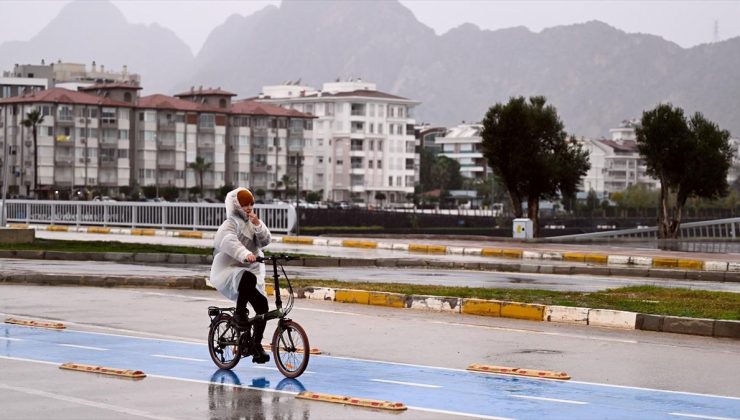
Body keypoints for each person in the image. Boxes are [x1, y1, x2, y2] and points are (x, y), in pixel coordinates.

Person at [210, 187, 272, 363]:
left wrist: (258, 225)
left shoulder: (252, 221)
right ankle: (239, 313)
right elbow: (228, 241)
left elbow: (265, 241)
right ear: (236, 205)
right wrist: (245, 254)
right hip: (228, 269)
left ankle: (255, 345)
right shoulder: (230, 224)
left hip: (250, 270)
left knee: (262, 307)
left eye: (251, 204)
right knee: (247, 278)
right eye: (244, 205)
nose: (248, 207)